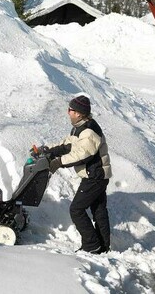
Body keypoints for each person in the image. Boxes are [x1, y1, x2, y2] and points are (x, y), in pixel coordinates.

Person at [36, 95, 112, 254]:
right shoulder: (80, 126)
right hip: (96, 175)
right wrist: (47, 150)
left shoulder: (89, 131)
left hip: (95, 176)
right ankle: (102, 247)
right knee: (98, 210)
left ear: (79, 113)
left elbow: (82, 154)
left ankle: (92, 246)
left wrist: (58, 162)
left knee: (76, 210)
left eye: (70, 109)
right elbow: (68, 145)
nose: (68, 112)